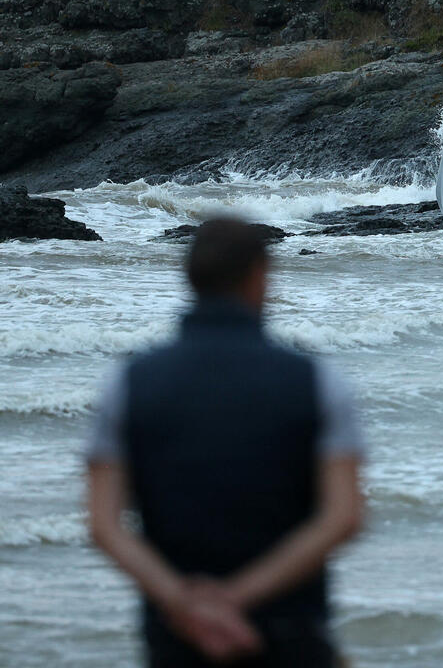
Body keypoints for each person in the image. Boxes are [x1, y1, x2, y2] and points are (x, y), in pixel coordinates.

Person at [86, 218, 366, 667]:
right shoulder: (315, 379)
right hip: (288, 632)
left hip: (179, 635)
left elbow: (105, 527)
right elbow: (343, 517)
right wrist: (236, 598)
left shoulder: (130, 382)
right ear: (260, 275)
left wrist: (185, 602)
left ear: (189, 279)